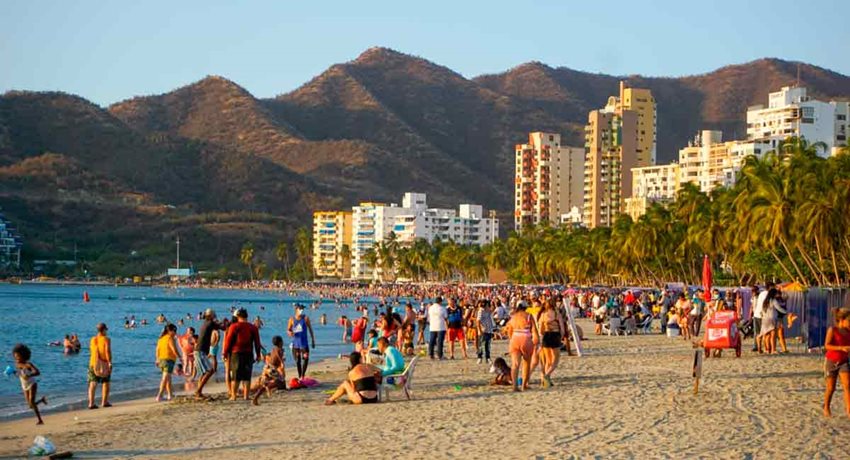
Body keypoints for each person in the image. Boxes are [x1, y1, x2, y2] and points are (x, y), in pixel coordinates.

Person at [223, 308, 262, 401]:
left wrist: (225, 353)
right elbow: (257, 342)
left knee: (236, 376)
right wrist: (258, 354)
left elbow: (228, 342)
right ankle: (246, 396)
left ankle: (234, 396)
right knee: (247, 376)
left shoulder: (234, 326)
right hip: (248, 353)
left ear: (238, 317)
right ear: (246, 317)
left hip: (236, 353)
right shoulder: (253, 327)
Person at [506, 302, 539, 392]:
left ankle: (515, 386)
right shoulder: (528, 316)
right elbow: (534, 330)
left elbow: (509, 330)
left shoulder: (513, 316)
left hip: (515, 338)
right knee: (526, 363)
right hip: (526, 338)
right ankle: (524, 385)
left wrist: (511, 339)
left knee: (515, 364)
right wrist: (536, 341)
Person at [824, 309, 850, 418]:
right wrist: (841, 348)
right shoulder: (833, 330)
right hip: (831, 361)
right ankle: (826, 406)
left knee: (847, 385)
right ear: (842, 320)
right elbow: (827, 345)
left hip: (844, 361)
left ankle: (849, 411)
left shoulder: (849, 331)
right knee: (831, 388)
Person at [12, 343, 47, 425]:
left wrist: (29, 374)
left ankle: (40, 420)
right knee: (30, 405)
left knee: (31, 401)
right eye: (15, 356)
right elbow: (19, 374)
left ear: (23, 355)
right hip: (24, 385)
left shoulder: (28, 364)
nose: (16, 358)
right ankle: (42, 400)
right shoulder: (17, 365)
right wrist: (13, 372)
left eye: (18, 356)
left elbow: (37, 372)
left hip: (32, 384)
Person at [536, 297, 566, 388]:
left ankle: (545, 381)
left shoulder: (543, 314)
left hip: (546, 336)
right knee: (555, 359)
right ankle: (547, 375)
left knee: (546, 359)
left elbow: (540, 329)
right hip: (555, 335)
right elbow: (562, 329)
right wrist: (561, 337)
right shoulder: (557, 314)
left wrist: (544, 333)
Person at [195, 309, 222, 399]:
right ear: (210, 315)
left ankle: (199, 392)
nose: (215, 315)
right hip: (200, 351)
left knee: (203, 373)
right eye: (214, 314)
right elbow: (222, 327)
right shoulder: (210, 323)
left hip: (199, 350)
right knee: (210, 371)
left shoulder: (206, 322)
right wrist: (226, 322)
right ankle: (198, 391)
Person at [252, 336, 287, 406]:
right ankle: (269, 386)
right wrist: (282, 362)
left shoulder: (274, 348)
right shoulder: (278, 349)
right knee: (281, 380)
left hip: (267, 367)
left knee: (265, 384)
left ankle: (256, 398)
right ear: (280, 343)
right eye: (282, 341)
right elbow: (278, 355)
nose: (283, 343)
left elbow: (273, 356)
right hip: (272, 369)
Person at [87, 323, 112, 409]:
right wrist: (110, 362)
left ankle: (91, 403)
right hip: (104, 363)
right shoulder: (106, 339)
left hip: (93, 363)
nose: (106, 331)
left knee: (92, 383)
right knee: (106, 382)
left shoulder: (93, 339)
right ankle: (104, 402)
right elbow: (107, 351)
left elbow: (92, 351)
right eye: (106, 330)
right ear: (104, 330)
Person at [287, 305, 316, 380]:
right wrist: (290, 333)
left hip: (304, 343)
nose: (302, 310)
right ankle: (300, 375)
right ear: (296, 310)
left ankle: (302, 376)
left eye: (302, 309)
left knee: (306, 359)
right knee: (297, 361)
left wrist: (313, 340)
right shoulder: (291, 319)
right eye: (300, 309)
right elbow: (288, 330)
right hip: (296, 344)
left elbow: (310, 329)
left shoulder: (306, 318)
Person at [155, 324, 180, 402]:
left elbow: (157, 350)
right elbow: (173, 349)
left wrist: (157, 359)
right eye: (174, 331)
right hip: (168, 359)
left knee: (168, 378)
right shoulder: (170, 338)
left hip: (161, 359)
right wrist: (180, 357)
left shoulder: (161, 338)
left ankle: (170, 395)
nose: (175, 332)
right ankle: (160, 395)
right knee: (165, 378)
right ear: (170, 331)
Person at [758, 288, 780, 354]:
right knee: (773, 335)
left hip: (765, 319)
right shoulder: (773, 300)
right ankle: (773, 350)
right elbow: (779, 308)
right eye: (776, 293)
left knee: (767, 335)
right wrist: (786, 312)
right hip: (772, 319)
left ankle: (767, 350)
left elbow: (762, 311)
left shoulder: (765, 301)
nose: (777, 294)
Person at [476, 299, 495, 364]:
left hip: (489, 330)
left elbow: (493, 309)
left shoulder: (488, 311)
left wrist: (493, 303)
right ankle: (479, 357)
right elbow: (478, 321)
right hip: (483, 330)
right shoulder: (481, 311)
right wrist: (480, 330)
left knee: (488, 345)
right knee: (480, 345)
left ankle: (488, 358)